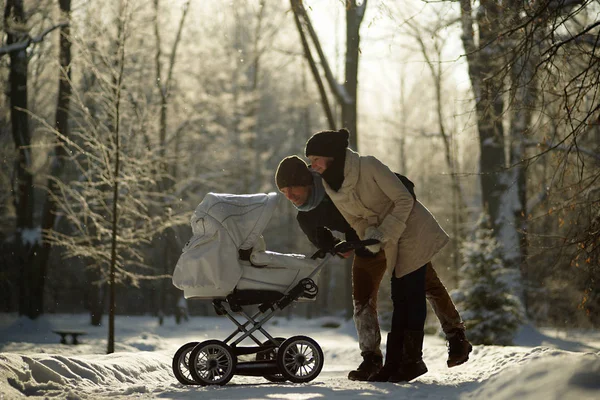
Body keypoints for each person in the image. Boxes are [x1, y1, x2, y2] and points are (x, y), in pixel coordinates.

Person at [275, 154, 472, 382]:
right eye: (283, 192)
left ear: (307, 182)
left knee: (429, 285)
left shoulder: (335, 180)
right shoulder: (306, 215)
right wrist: (336, 246)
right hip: (365, 246)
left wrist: (392, 220)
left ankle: (456, 337)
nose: (289, 196)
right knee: (362, 299)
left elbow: (400, 186)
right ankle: (371, 358)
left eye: (292, 189)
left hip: (397, 236)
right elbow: (321, 238)